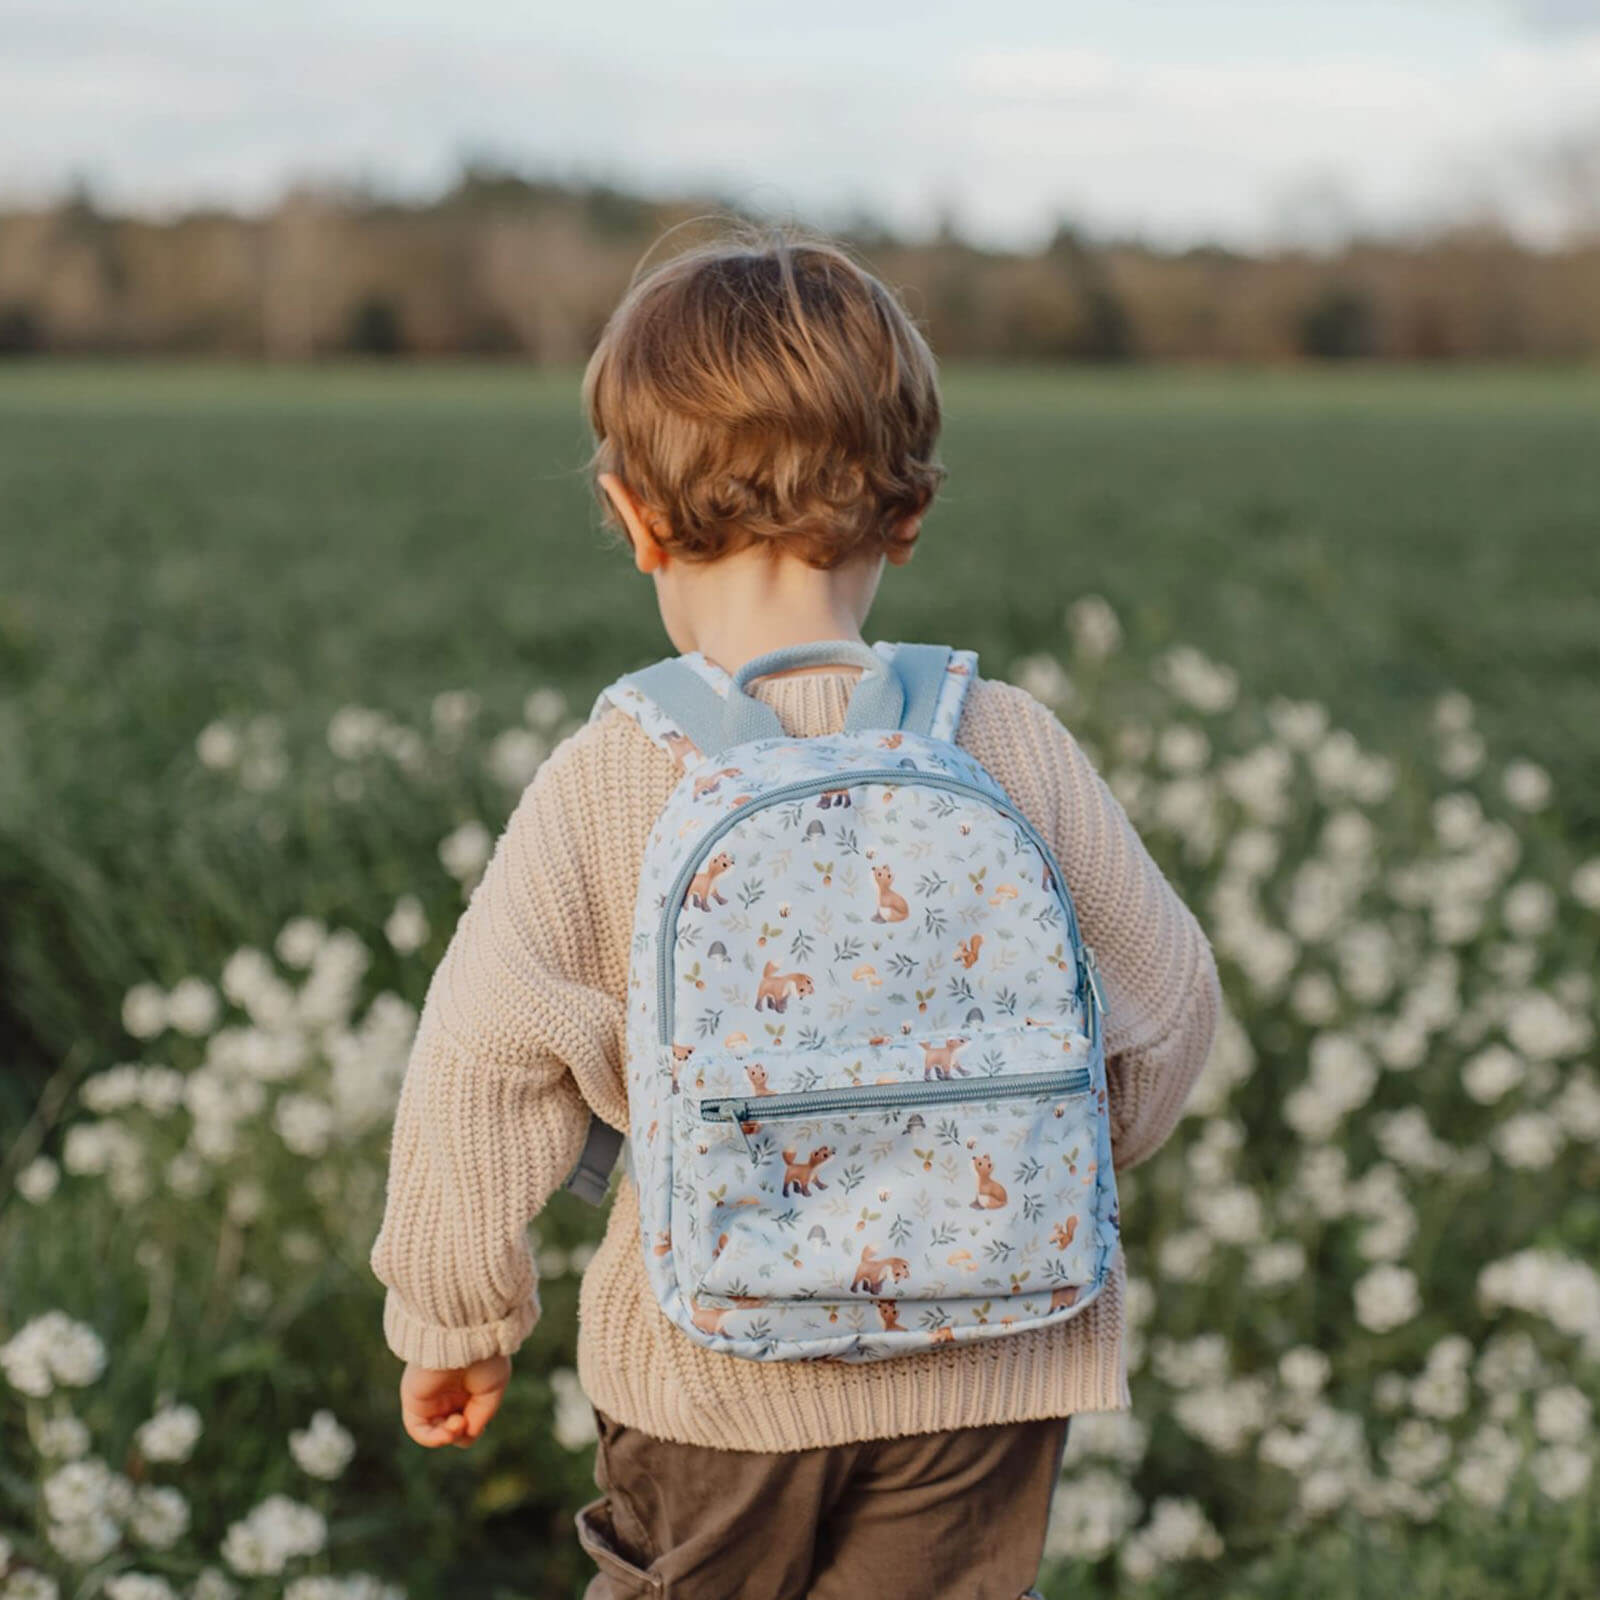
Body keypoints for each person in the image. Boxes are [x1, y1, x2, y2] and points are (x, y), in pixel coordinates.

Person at [368, 222, 1223, 1600]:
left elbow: (483, 1055)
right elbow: (1169, 1006)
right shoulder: (1002, 740)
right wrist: (1022, 1161)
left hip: (716, 1369)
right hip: (990, 1360)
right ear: (909, 511)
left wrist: (455, 1314)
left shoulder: (615, 776)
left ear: (630, 514)